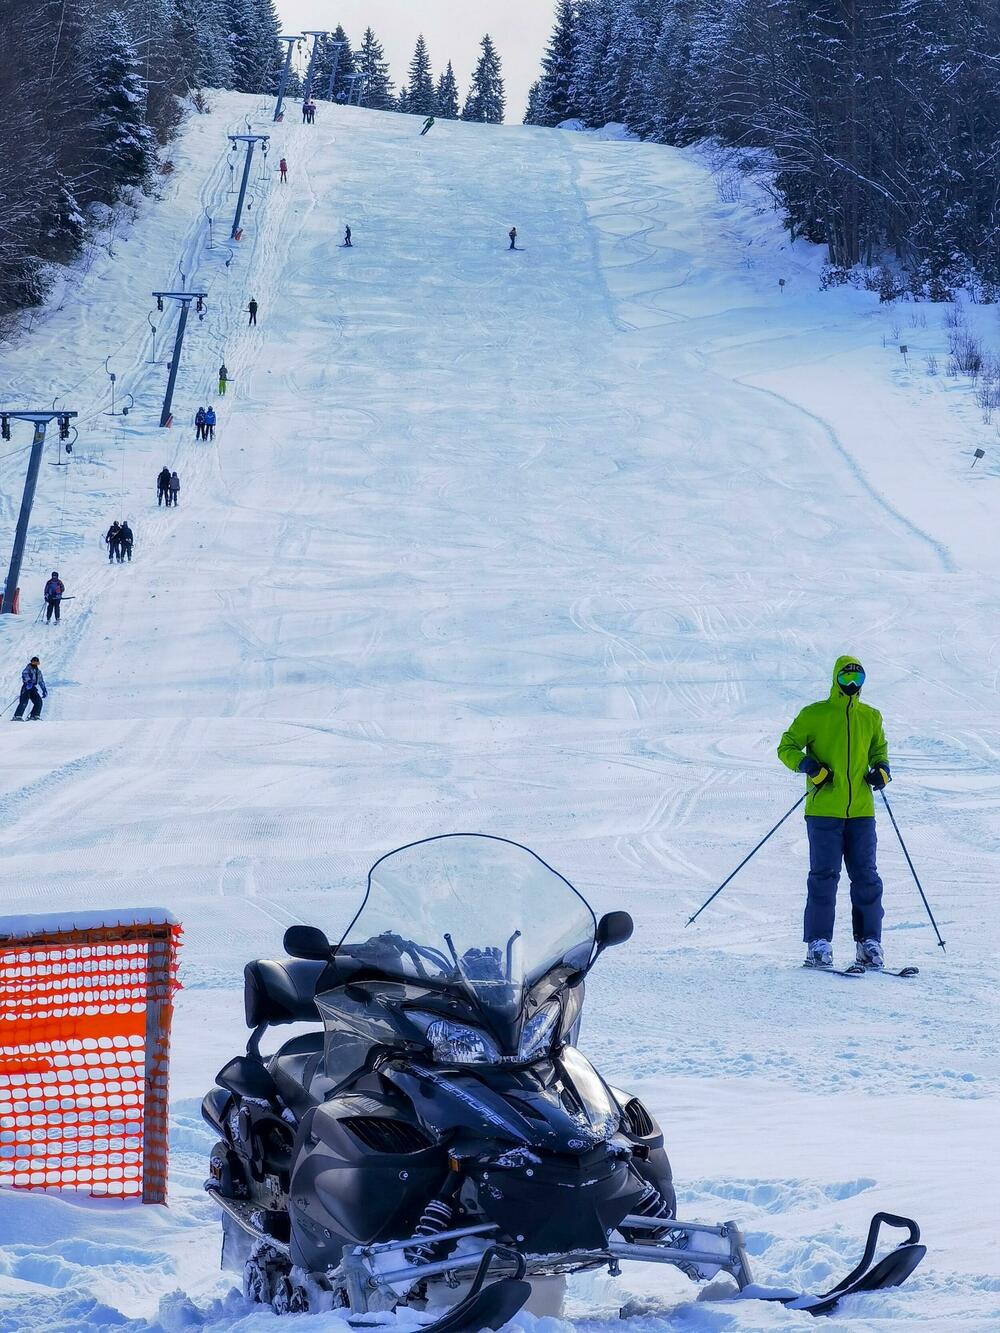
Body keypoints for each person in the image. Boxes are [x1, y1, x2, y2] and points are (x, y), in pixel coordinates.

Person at [778, 656, 891, 972]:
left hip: (861, 813)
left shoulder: (871, 716)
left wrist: (881, 770)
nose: (852, 685)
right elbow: (786, 747)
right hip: (824, 811)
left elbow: (879, 751)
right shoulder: (815, 714)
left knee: (867, 877)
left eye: (858, 680)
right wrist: (809, 766)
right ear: (836, 679)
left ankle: (868, 944)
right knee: (824, 877)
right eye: (847, 678)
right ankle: (818, 944)